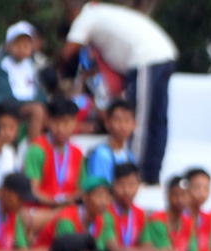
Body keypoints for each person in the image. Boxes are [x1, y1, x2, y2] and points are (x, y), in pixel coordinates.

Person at [59, 0, 177, 186]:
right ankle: (152, 173)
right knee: (157, 119)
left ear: (72, 12)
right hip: (164, 55)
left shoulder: (86, 16)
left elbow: (68, 51)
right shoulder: (103, 13)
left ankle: (134, 173)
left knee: (140, 119)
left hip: (146, 58)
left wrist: (54, 73)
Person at [0, 22, 46, 142]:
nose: (22, 48)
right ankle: (32, 151)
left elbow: (37, 90)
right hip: (8, 107)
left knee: (48, 111)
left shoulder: (30, 65)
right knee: (37, 111)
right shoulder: (2, 64)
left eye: (26, 44)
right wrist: (29, 103)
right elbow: (2, 94)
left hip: (27, 105)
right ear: (8, 45)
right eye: (18, 44)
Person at [24, 96, 84, 205]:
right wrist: (58, 203)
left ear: (75, 123)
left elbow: (80, 189)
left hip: (68, 209)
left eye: (66, 122)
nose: (61, 128)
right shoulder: (37, 149)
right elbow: (32, 192)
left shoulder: (77, 153)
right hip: (41, 209)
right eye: (56, 122)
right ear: (47, 121)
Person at [85, 97, 135, 184]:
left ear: (134, 124)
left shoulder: (129, 155)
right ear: (107, 123)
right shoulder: (101, 154)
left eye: (127, 120)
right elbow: (100, 188)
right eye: (118, 119)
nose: (122, 125)